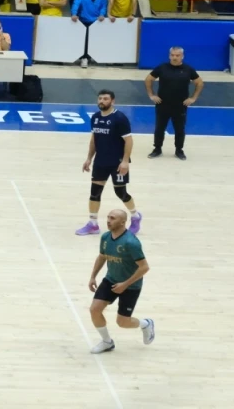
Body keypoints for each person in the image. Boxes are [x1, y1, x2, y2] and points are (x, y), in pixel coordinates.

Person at [88, 209, 155, 354]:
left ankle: (145, 324)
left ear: (123, 222)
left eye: (112, 218)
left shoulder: (131, 242)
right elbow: (102, 256)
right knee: (94, 309)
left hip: (131, 285)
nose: (108, 220)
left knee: (123, 322)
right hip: (110, 279)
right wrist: (93, 276)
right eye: (108, 217)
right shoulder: (105, 237)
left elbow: (144, 267)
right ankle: (107, 342)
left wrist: (125, 284)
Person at [76, 90, 141, 236]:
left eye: (105, 99)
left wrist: (125, 161)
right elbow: (94, 139)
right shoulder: (95, 117)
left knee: (121, 193)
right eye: (100, 98)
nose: (102, 101)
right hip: (101, 161)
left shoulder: (119, 118)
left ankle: (135, 216)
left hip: (117, 162)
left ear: (113, 101)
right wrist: (89, 158)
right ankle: (93, 224)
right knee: (94, 193)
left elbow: (128, 140)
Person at [145, 47, 203, 158]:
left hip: (180, 105)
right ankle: (157, 149)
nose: (174, 57)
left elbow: (199, 83)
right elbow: (148, 79)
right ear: (169, 55)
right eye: (172, 55)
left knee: (180, 129)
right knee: (159, 128)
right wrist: (151, 95)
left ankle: (179, 150)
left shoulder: (188, 69)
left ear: (182, 56)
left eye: (177, 55)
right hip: (162, 104)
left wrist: (193, 98)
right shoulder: (162, 68)